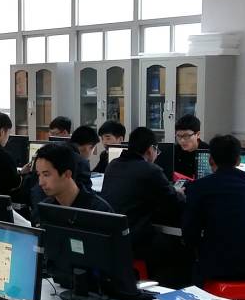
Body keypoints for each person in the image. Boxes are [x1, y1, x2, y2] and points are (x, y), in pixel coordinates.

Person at [182, 135, 245, 282]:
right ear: (238, 160)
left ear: (211, 160)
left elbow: (190, 234)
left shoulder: (198, 187)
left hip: (215, 266)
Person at [100, 127, 186, 285]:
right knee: (178, 247)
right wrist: (178, 193)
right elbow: (174, 203)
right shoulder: (150, 170)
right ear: (150, 149)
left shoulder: (113, 165)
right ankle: (166, 287)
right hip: (134, 241)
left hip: (113, 239)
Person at [33, 143, 111, 212]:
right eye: (39, 174)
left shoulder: (99, 211)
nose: (41, 183)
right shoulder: (43, 209)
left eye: (46, 175)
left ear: (67, 174)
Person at [172, 115, 206, 180]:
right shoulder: (173, 151)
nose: (182, 140)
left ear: (198, 134)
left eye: (186, 136)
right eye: (178, 136)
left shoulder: (208, 152)